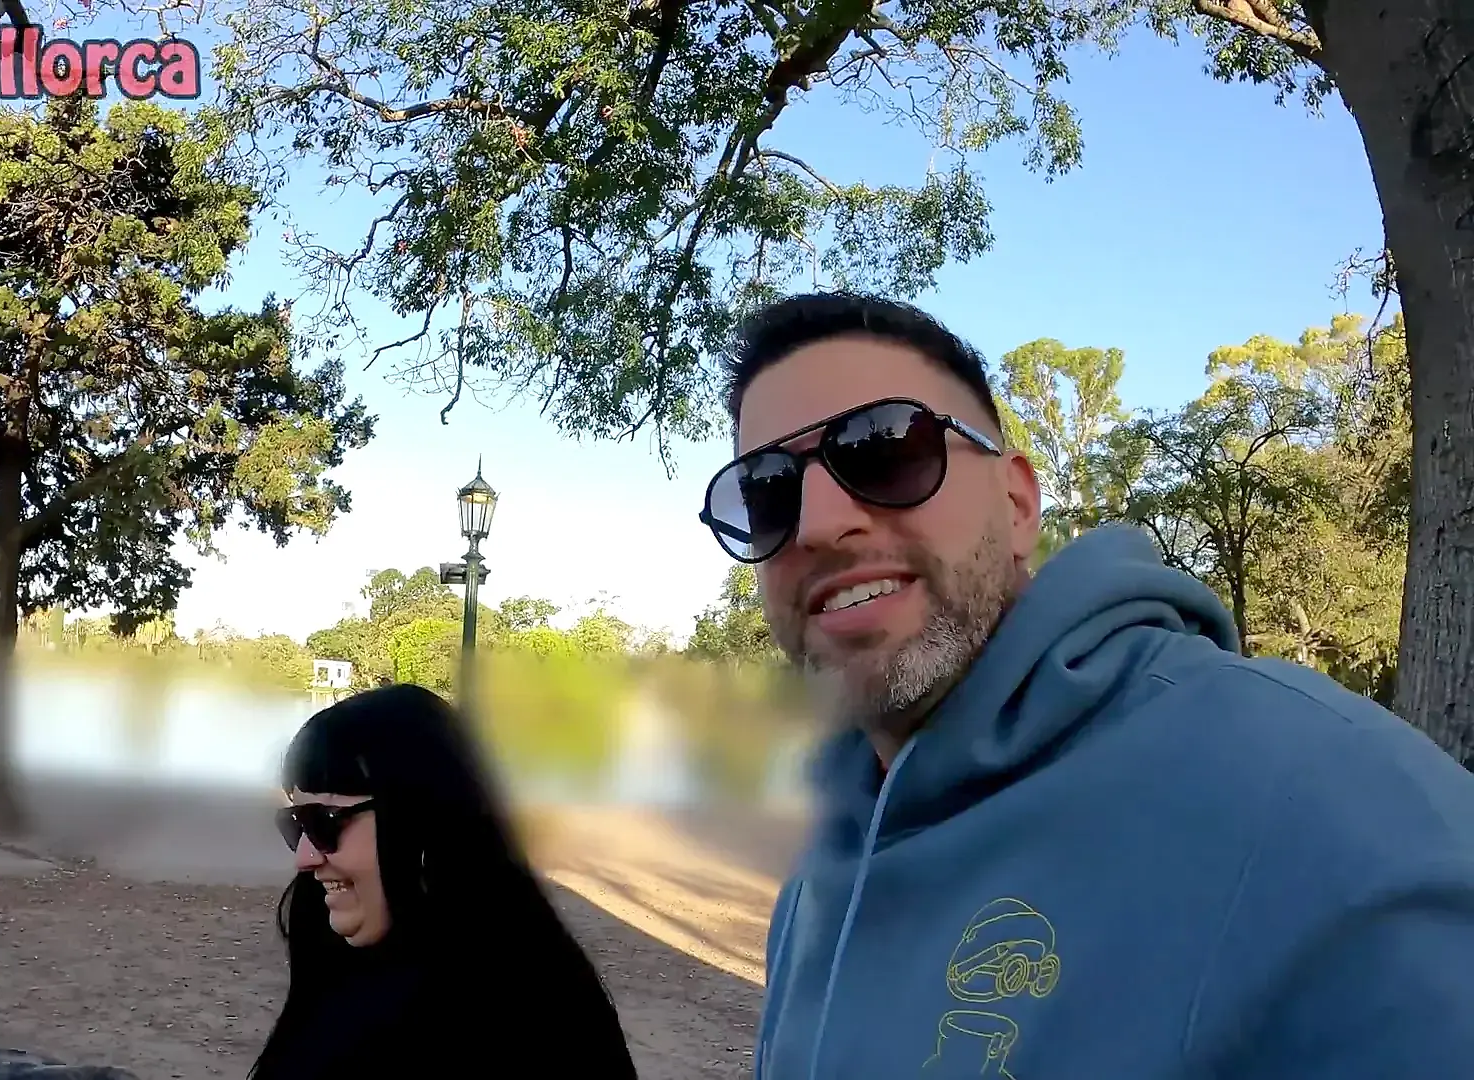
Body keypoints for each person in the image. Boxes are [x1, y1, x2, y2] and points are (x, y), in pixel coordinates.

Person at [697, 291, 1474, 1079]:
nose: (818, 524)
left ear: (1017, 504)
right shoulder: (827, 850)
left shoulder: (1328, 799)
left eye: (885, 448)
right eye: (767, 491)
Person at [246, 683, 639, 1079]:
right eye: (296, 823)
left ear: (424, 820)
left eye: (324, 822)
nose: (305, 858)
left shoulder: (533, 1020)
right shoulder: (327, 952)